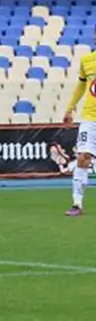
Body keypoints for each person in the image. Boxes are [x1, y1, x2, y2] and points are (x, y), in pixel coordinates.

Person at [62, 34, 96, 216]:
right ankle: (77, 204)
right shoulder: (87, 61)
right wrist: (70, 108)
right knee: (83, 157)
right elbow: (81, 87)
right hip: (90, 118)